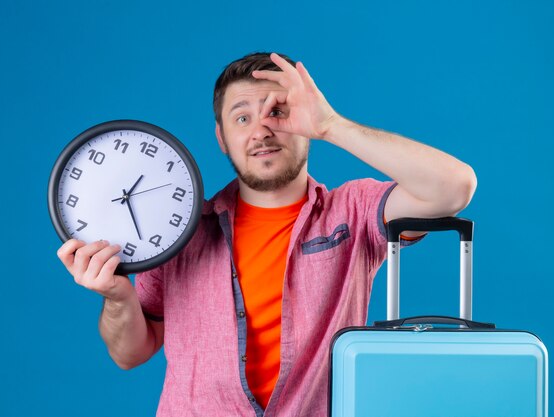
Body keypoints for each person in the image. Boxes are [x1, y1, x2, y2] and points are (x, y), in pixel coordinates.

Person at [57, 52, 477, 417]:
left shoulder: (353, 212)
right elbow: (129, 353)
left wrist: (331, 125)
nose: (261, 131)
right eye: (242, 117)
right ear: (222, 138)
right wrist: (117, 297)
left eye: (277, 112)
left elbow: (453, 187)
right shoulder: (177, 234)